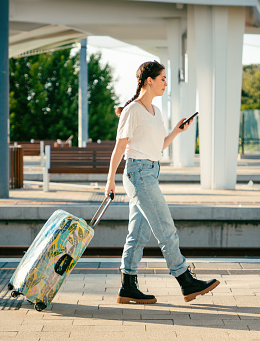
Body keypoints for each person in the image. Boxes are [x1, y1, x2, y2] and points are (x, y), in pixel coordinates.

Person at [105, 61, 219, 304]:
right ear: (149, 80)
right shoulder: (132, 110)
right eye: (163, 78)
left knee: (138, 233)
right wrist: (110, 180)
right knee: (165, 227)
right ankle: (184, 280)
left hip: (150, 172)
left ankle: (127, 286)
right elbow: (120, 148)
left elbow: (157, 148)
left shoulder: (155, 113)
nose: (166, 83)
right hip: (138, 174)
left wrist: (177, 131)